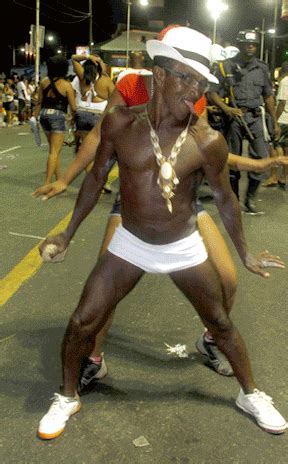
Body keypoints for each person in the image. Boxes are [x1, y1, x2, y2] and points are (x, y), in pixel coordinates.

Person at [37, 27, 287, 440]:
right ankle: (67, 395)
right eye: (187, 78)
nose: (195, 90)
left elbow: (224, 200)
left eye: (201, 82)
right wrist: (66, 234)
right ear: (160, 74)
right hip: (130, 243)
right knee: (82, 321)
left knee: (221, 323)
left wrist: (245, 253)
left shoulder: (207, 141)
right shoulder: (120, 124)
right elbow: (96, 179)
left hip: (182, 245)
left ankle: (251, 393)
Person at [207, 29, 280, 215]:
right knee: (232, 161)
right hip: (234, 119)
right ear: (239, 45)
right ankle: (234, 200)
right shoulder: (226, 67)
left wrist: (275, 121)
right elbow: (212, 92)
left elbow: (268, 96)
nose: (251, 47)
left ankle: (250, 200)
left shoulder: (261, 68)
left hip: (255, 118)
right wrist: (227, 109)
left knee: (262, 158)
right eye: (247, 43)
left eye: (254, 44)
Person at [34, 55, 76, 185]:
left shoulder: (44, 82)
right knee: (54, 151)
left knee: (54, 150)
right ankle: (47, 183)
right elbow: (73, 107)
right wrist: (73, 118)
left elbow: (39, 102)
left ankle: (59, 179)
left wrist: (34, 118)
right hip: (58, 116)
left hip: (44, 115)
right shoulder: (66, 85)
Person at [71, 53, 114, 156]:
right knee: (96, 149)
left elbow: (74, 58)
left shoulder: (82, 76)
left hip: (82, 112)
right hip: (99, 114)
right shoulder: (107, 81)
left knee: (85, 149)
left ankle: (88, 168)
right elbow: (114, 101)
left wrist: (88, 57)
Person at [263, 61, 288, 189]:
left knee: (274, 146)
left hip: (283, 119)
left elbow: (282, 102)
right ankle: (285, 177)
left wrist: (275, 120)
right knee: (286, 149)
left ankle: (273, 176)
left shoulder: (285, 82)